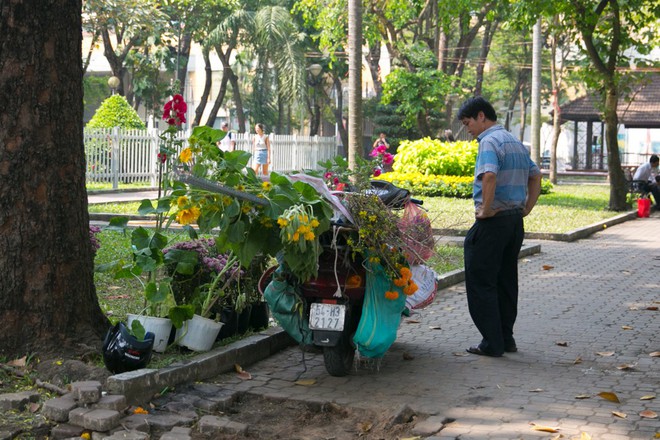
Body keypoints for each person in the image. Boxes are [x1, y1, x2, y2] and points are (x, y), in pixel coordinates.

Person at [457, 96, 542, 357]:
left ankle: (491, 343)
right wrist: (526, 208)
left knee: (481, 279)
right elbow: (536, 175)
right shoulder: (514, 141)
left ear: (481, 116)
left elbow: (489, 175)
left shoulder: (490, 142)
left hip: (493, 223)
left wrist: (485, 209)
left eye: (468, 122)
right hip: (514, 222)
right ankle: (506, 338)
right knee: (506, 280)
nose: (467, 129)